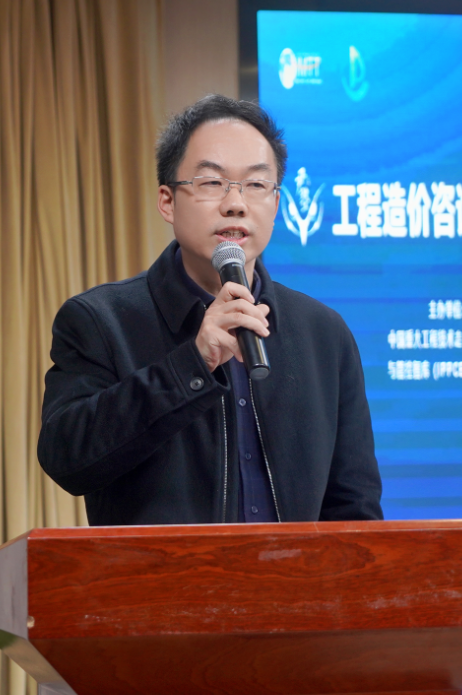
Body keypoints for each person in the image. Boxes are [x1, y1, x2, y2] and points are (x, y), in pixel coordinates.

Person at [37, 94, 382, 526]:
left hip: (293, 573)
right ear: (168, 201)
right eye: (212, 182)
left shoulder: (324, 334)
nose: (236, 203)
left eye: (256, 185)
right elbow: (66, 459)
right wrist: (193, 365)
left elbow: (354, 508)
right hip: (161, 573)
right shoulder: (100, 321)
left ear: (276, 203)